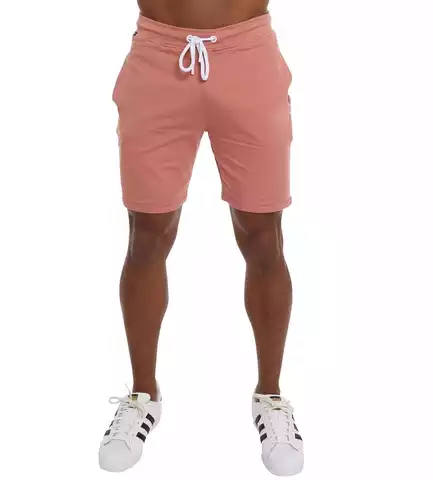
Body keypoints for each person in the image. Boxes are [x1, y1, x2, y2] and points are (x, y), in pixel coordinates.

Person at [99, 0, 303, 476]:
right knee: (147, 234)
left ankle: (270, 397)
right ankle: (143, 395)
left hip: (248, 57)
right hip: (158, 59)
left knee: (263, 235)